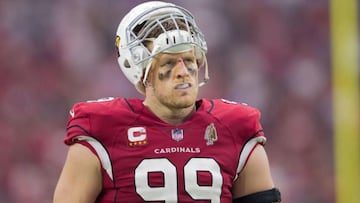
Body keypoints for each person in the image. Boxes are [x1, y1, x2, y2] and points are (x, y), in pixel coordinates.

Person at [53, 1, 281, 202]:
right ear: (141, 72)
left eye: (189, 59)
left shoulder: (236, 127)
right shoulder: (101, 130)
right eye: (169, 63)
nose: (183, 71)